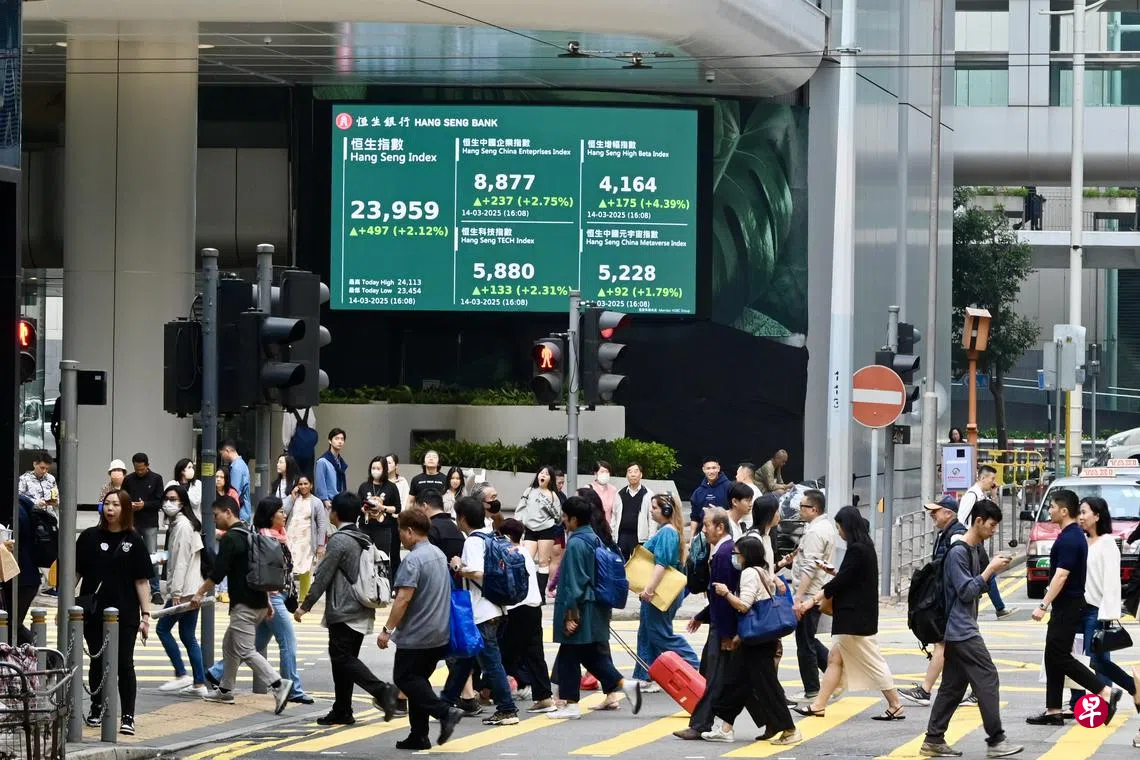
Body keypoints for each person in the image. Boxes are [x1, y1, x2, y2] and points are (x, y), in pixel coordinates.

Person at [918, 499, 1023, 758]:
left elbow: (978, 588)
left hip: (961, 628)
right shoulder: (958, 552)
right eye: (991, 525)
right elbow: (965, 591)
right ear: (978, 521)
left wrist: (992, 570)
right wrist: (989, 571)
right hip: (960, 629)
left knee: (953, 686)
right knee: (988, 677)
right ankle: (997, 740)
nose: (994, 530)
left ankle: (933, 739)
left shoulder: (975, 550)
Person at [295, 492, 398, 725]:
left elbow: (322, 576)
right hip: (362, 607)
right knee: (345, 660)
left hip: (344, 609)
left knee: (342, 658)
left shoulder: (340, 540)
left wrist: (305, 606)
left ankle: (383, 691)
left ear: (336, 513)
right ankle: (343, 710)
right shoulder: (363, 536)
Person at [795, 506, 905, 722]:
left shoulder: (857, 549)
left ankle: (895, 704)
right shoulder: (864, 547)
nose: (839, 532)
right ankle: (818, 705)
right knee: (834, 659)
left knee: (873, 662)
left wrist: (810, 602)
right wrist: (835, 572)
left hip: (854, 619)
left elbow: (841, 583)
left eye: (839, 527)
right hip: (858, 617)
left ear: (847, 526)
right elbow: (851, 576)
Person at [1027, 488, 1124, 726]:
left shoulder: (1070, 538)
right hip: (1067, 607)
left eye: (1051, 506)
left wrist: (1043, 604)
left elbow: (1061, 576)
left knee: (1060, 656)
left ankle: (1105, 692)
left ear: (1063, 510)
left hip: (1068, 607)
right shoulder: (1069, 536)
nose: (1049, 510)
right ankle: (1054, 711)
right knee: (1053, 656)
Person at [204, 497, 312, 706]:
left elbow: (270, 574)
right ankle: (225, 686)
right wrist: (269, 600)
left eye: (215, 515)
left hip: (260, 600)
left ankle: (279, 685)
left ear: (227, 512)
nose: (284, 514)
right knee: (236, 644)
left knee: (246, 647)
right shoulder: (256, 537)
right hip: (265, 599)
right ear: (270, 515)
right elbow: (254, 574)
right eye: (280, 511)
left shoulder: (263, 537)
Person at [377, 508, 463, 750]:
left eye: (401, 532)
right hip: (439, 631)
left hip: (417, 633)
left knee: (404, 678)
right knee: (419, 681)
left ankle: (445, 713)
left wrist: (387, 630)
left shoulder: (413, 560)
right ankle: (419, 735)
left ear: (411, 532)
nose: (401, 538)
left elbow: (403, 598)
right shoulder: (438, 554)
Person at [703, 535, 801, 746]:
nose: (734, 557)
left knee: (767, 685)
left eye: (736, 554)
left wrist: (726, 592)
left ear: (746, 555)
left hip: (758, 643)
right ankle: (726, 728)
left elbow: (744, 606)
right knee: (737, 682)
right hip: (758, 639)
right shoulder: (763, 572)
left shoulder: (749, 573)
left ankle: (789, 729)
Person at [674, 508, 762, 740]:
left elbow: (724, 596)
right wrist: (702, 616)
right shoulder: (725, 551)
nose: (703, 530)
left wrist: (725, 633)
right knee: (728, 677)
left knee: (715, 677)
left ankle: (701, 724)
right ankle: (772, 719)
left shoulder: (724, 554)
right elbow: (718, 596)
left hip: (724, 627)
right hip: (721, 623)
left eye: (707, 525)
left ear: (720, 527)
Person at [548, 495, 638, 720]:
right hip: (593, 606)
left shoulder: (577, 542)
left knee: (570, 654)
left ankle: (571, 704)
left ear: (574, 519)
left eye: (565, 517)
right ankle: (625, 684)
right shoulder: (594, 538)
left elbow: (575, 582)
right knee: (587, 654)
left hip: (580, 607)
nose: (563, 521)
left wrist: (571, 614)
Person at [75, 489, 153, 735]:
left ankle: (127, 716)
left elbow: (142, 582)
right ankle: (97, 708)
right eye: (107, 504)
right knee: (97, 661)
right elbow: (75, 574)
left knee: (124, 664)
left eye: (116, 505)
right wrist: (66, 605)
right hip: (93, 610)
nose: (110, 509)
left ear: (126, 509)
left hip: (125, 612)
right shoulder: (88, 537)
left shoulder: (135, 540)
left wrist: (146, 616)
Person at [442, 496, 520, 725]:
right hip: (495, 608)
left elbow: (478, 572)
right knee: (466, 660)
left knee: (491, 662)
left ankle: (507, 709)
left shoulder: (473, 542)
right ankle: (444, 703)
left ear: (463, 518)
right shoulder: (491, 536)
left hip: (483, 611)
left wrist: (458, 566)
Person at [1067, 496, 1138, 724]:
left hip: (1095, 611)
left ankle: (1127, 689)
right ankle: (1083, 705)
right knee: (1076, 658)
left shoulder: (1107, 543)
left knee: (1097, 661)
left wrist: (1108, 615)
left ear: (1097, 516)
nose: (1080, 516)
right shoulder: (1081, 541)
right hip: (1076, 609)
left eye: (1085, 512)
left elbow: (1111, 583)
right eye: (1079, 512)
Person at [901, 496, 976, 707]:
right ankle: (978, 689)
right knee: (956, 647)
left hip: (953, 601)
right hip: (950, 599)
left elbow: (952, 571)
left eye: (936, 511)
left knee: (945, 643)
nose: (933, 515)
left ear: (948, 513)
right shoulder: (947, 533)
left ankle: (925, 690)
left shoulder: (957, 536)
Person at [632, 493, 699, 693]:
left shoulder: (668, 533)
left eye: (654, 507)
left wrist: (649, 589)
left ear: (667, 511)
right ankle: (646, 675)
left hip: (661, 591)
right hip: (656, 591)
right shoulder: (666, 531)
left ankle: (693, 663)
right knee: (647, 632)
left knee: (659, 634)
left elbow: (661, 564)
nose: (651, 510)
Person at [498, 517, 556, 713]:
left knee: (504, 653)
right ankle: (544, 696)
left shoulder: (508, 553)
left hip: (516, 608)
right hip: (533, 606)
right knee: (534, 654)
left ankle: (486, 691)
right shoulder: (524, 552)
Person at [156, 483, 208, 697]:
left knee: (162, 629)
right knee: (187, 634)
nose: (168, 503)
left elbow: (181, 563)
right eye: (166, 499)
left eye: (173, 499)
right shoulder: (181, 524)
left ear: (183, 502)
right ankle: (199, 683)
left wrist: (175, 593)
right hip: (191, 587)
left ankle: (181, 673)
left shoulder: (183, 526)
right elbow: (175, 558)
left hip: (185, 590)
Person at [790, 489, 837, 701]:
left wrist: (799, 597)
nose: (800, 510)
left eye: (803, 506)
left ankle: (813, 688)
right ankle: (835, 675)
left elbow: (810, 567)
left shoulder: (815, 533)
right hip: (816, 591)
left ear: (814, 509)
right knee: (808, 638)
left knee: (804, 643)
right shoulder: (823, 527)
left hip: (810, 592)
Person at [955, 465, 1011, 619]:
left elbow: (994, 514)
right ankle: (999, 607)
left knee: (985, 571)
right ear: (983, 477)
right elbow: (961, 520)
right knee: (987, 571)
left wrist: (994, 494)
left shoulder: (982, 496)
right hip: (970, 542)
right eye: (992, 479)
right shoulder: (971, 495)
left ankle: (994, 606)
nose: (993, 482)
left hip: (977, 542)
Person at [123, 452, 165, 605]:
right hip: (132, 522)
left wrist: (144, 505)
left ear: (147, 465)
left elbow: (159, 502)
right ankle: (129, 587)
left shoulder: (156, 479)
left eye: (141, 469)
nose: (139, 472)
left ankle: (156, 591)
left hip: (149, 523)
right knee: (128, 554)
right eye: (136, 469)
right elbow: (123, 498)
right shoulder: (128, 480)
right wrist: (131, 505)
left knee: (152, 557)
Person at [516, 466, 561, 597]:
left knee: (543, 562)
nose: (543, 475)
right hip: (530, 529)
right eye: (541, 473)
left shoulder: (553, 495)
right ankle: (526, 591)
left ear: (550, 478)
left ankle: (541, 594)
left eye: (546, 474)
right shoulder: (529, 491)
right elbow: (520, 508)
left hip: (546, 531)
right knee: (526, 559)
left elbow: (558, 516)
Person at [358, 456, 402, 582]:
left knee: (382, 558)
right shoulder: (364, 486)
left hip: (383, 528)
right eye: (373, 468)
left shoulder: (391, 487)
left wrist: (382, 507)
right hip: (365, 527)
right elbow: (358, 505)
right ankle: (364, 585)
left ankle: (383, 586)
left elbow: (397, 508)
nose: (375, 470)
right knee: (364, 557)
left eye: (378, 468)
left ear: (384, 470)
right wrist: (364, 509)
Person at [285, 474, 327, 601]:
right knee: (288, 567)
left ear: (311, 485)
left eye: (305, 484)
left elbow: (321, 524)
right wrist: (292, 498)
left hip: (307, 539)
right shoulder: (292, 498)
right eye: (300, 484)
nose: (303, 486)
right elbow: (283, 513)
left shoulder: (317, 502)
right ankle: (288, 595)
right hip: (291, 537)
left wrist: (320, 545)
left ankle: (304, 598)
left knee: (306, 568)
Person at [614, 462, 655, 561]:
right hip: (622, 535)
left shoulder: (648, 494)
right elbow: (614, 516)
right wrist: (613, 536)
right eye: (629, 472)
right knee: (621, 563)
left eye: (636, 471)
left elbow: (652, 519)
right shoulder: (620, 493)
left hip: (639, 537)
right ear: (626, 475)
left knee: (637, 564)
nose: (632, 474)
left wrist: (651, 538)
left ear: (641, 475)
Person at [688, 458, 733, 538]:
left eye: (714, 468)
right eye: (708, 468)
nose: (711, 471)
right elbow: (694, 518)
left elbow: (736, 511)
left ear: (718, 468)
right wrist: (692, 537)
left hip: (725, 534)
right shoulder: (698, 492)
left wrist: (720, 513)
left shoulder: (730, 487)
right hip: (704, 535)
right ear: (703, 470)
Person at [315, 429, 348, 509]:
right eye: (336, 438)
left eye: (342, 439)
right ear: (330, 441)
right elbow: (320, 483)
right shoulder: (323, 461)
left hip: (340, 501)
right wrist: (325, 499)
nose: (340, 441)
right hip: (328, 503)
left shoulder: (340, 462)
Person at [220, 441, 252, 522]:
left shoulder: (236, 468)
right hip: (243, 514)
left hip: (239, 515)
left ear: (227, 450)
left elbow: (233, 494)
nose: (222, 457)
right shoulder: (241, 465)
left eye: (221, 454)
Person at [19, 450, 58, 517]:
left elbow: (56, 496)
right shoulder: (24, 478)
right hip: (32, 515)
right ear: (34, 464)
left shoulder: (51, 479)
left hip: (49, 515)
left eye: (47, 469)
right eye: (42, 468)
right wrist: (37, 502)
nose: (44, 471)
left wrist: (54, 501)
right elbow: (19, 497)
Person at [282, 406, 318, 477]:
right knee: (307, 478)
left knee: (293, 478)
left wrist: (286, 448)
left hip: (294, 449)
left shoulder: (288, 410)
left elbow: (287, 430)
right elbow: (313, 425)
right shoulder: (309, 408)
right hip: (309, 450)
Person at [588, 461, 619, 527]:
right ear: (595, 473)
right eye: (602, 472)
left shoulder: (613, 490)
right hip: (592, 529)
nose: (605, 474)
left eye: (607, 472)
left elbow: (615, 512)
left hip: (608, 529)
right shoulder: (588, 489)